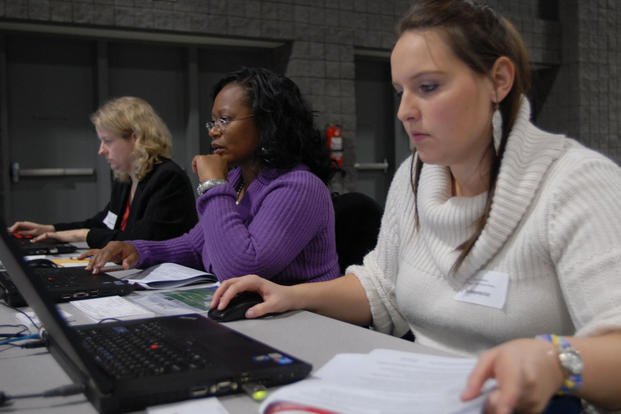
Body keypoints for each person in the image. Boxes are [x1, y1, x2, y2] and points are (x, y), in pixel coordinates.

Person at [209, 1, 621, 413]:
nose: (405, 111)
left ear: (498, 80)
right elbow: (381, 288)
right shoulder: (416, 175)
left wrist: (555, 361)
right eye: (400, 92)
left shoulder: (575, 182)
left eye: (427, 87)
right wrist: (289, 295)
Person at [84, 67, 340, 284]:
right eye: (212, 122)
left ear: (267, 122)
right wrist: (138, 250)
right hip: (255, 318)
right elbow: (196, 246)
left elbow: (240, 270)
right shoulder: (239, 178)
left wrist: (213, 185)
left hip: (304, 326)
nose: (213, 132)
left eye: (225, 120)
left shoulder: (299, 186)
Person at [8, 97, 198, 248]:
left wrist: (81, 235)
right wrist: (49, 229)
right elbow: (104, 223)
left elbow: (142, 240)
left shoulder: (167, 178)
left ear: (135, 138)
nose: (101, 150)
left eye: (107, 141)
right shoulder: (126, 178)